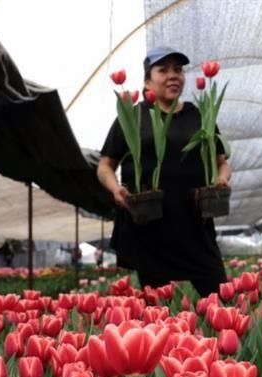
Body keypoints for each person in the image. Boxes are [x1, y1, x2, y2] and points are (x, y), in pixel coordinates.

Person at [97, 46, 231, 296]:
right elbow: (105, 166)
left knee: (220, 298)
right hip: (150, 226)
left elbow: (222, 161)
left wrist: (221, 179)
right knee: (157, 311)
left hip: (195, 225)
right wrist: (115, 189)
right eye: (163, 70)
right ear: (147, 81)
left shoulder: (200, 114)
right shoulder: (132, 115)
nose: (173, 75)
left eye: (178, 70)